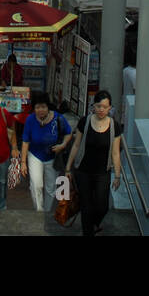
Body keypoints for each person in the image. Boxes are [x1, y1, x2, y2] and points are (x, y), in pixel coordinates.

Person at [65, 89, 123, 237]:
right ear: (93, 106)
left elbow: (116, 152)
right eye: (98, 106)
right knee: (86, 206)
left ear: (110, 108)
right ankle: (88, 232)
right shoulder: (85, 121)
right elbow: (76, 145)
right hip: (83, 170)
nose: (101, 110)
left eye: (104, 107)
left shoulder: (114, 126)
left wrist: (117, 175)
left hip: (102, 172)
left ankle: (93, 224)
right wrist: (68, 168)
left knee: (102, 205)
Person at [19, 91, 73, 211]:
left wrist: (63, 145)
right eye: (37, 107)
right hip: (35, 155)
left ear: (48, 107)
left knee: (51, 188)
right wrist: (23, 162)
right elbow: (25, 141)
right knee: (36, 185)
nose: (40, 110)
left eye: (43, 107)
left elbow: (68, 133)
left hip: (53, 158)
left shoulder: (58, 118)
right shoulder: (30, 120)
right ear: (34, 108)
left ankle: (47, 212)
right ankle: (39, 211)